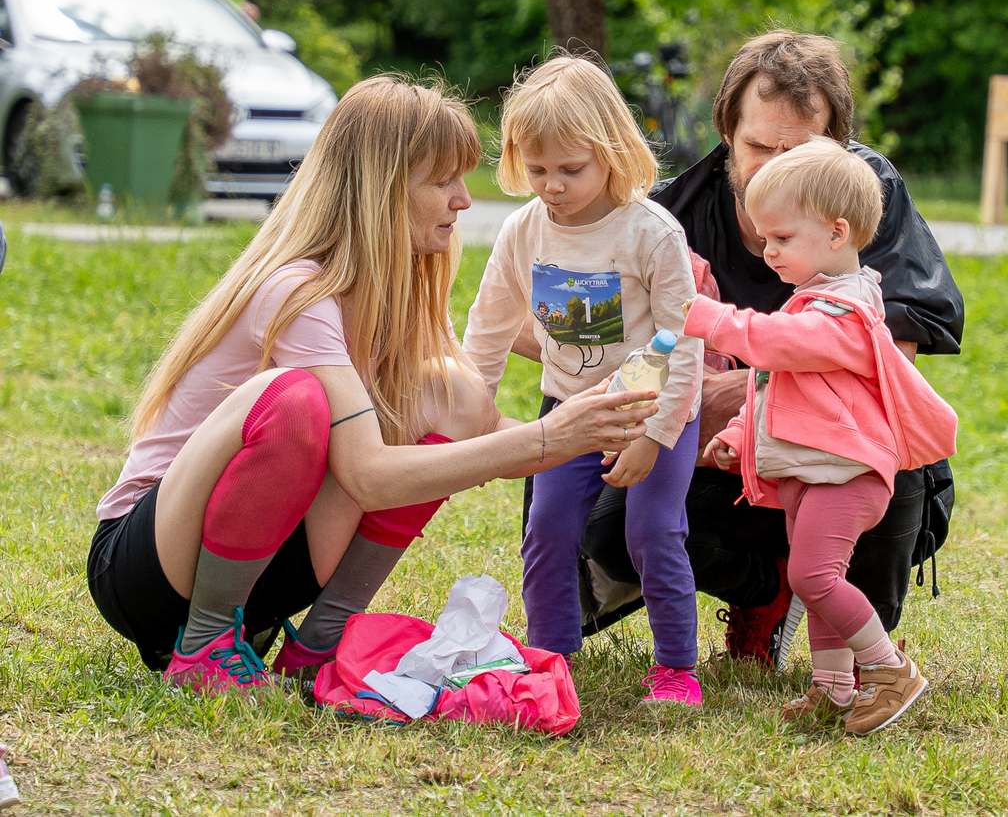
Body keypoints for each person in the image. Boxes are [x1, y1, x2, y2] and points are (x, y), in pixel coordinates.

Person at [86, 75, 659, 692]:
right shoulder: (297, 291)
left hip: (260, 570)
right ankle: (204, 646)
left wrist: (597, 435)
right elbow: (365, 475)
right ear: (383, 191)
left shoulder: (398, 288)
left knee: (458, 396)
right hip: (148, 571)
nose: (464, 201)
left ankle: (319, 643)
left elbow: (486, 429)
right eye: (442, 181)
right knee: (294, 401)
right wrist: (548, 438)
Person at [516, 31, 964, 670]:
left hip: (839, 446)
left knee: (890, 458)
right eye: (758, 146)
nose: (776, 162)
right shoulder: (669, 214)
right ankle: (767, 590)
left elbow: (900, 348)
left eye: (801, 148)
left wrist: (754, 388)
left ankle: (861, 644)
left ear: (838, 146)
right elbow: (590, 352)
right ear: (726, 132)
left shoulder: (868, 193)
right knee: (609, 523)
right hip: (706, 453)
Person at [684, 138, 958, 735]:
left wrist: (710, 318)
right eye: (764, 238)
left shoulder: (848, 311)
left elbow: (777, 346)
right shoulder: (812, 301)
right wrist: (738, 431)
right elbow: (774, 385)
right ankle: (833, 687)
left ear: (837, 233)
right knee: (818, 579)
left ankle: (890, 671)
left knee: (813, 576)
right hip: (816, 470)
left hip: (850, 474)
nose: (768, 251)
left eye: (782, 238)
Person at [462, 57, 704, 706]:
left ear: (611, 153)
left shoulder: (650, 232)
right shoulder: (523, 231)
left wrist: (653, 433)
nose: (553, 186)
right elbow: (487, 328)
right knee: (547, 530)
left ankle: (677, 667)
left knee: (652, 530)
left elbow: (685, 343)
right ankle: (550, 657)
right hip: (567, 407)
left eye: (570, 169)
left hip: (654, 407)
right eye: (537, 170)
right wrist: (468, 415)